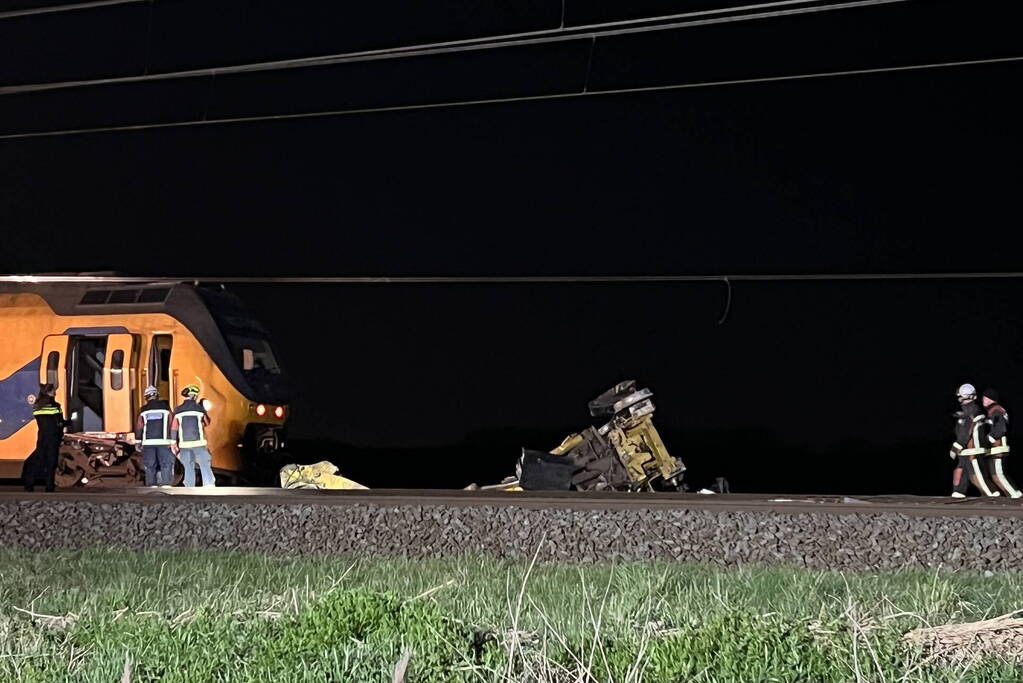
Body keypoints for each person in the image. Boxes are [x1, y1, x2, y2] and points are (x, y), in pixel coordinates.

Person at [949, 383, 999, 498]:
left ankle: (991, 493)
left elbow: (966, 432)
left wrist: (956, 447)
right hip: (967, 450)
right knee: (961, 470)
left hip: (973, 449)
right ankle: (959, 491)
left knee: (976, 473)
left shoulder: (971, 412)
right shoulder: (970, 411)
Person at [22, 383, 66, 492]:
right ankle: (49, 486)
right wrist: (69, 423)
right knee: (51, 462)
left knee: (38, 461)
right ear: (49, 392)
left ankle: (29, 484)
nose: (55, 393)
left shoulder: (37, 407)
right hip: (53, 438)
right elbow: (59, 423)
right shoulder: (55, 406)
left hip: (42, 437)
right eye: (53, 391)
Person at [171, 384, 216, 487]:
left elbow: (174, 427)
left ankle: (189, 485)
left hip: (184, 444)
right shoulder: (199, 409)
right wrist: (204, 410)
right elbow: (207, 422)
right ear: (194, 396)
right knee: (204, 462)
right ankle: (208, 483)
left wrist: (173, 442)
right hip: (198, 443)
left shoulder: (178, 410)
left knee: (188, 465)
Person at [982, 389, 1021, 499]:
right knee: (996, 474)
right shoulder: (993, 411)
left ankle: (1015, 496)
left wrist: (989, 438)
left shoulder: (996, 410)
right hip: (996, 448)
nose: (983, 400)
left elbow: (1001, 429)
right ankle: (1015, 494)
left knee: (998, 474)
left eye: (986, 398)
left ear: (991, 399)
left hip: (999, 447)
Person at [135, 386, 175, 487]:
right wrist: (173, 439)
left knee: (150, 465)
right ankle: (166, 485)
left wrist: (138, 441)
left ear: (146, 397)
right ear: (157, 395)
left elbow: (139, 426)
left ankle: (151, 485)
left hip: (148, 443)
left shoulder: (143, 410)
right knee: (166, 464)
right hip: (164, 442)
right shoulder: (165, 407)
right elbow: (172, 423)